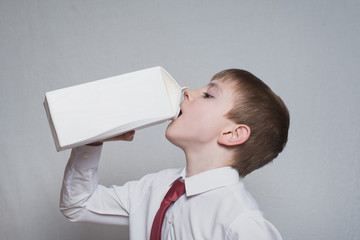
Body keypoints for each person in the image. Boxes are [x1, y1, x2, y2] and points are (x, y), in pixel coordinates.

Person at [60, 68, 290, 239]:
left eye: (209, 95)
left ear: (232, 134)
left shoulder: (243, 223)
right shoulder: (154, 187)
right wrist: (92, 141)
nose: (188, 92)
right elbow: (79, 206)